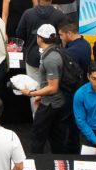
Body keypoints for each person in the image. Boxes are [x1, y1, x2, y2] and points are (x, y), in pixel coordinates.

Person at [19, 23, 68, 154]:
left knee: (37, 135)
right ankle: (58, 159)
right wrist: (40, 95)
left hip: (50, 104)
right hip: (53, 101)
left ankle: (36, 162)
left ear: (40, 38)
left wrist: (32, 93)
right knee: (55, 135)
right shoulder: (54, 51)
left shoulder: (50, 59)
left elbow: (52, 87)